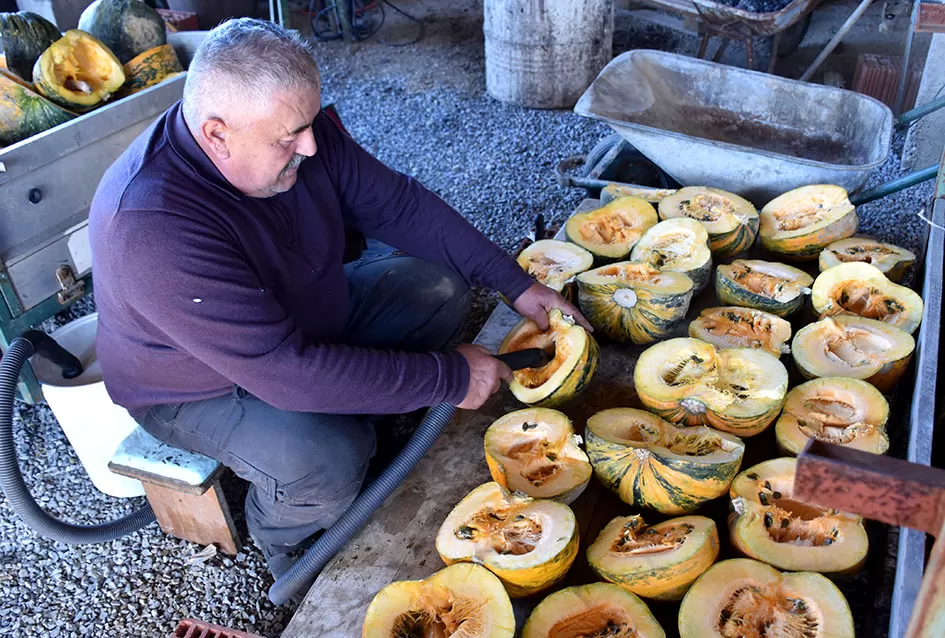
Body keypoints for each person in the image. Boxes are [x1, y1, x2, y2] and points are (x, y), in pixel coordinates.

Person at [88, 18, 590, 581]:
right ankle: (283, 541)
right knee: (328, 460)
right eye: (289, 138)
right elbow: (286, 373)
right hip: (201, 382)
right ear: (216, 134)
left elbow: (400, 206)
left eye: (309, 124)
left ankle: (358, 405)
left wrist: (515, 283)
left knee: (438, 291)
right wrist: (448, 378)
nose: (310, 145)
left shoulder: (293, 134)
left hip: (299, 318)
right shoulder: (151, 226)